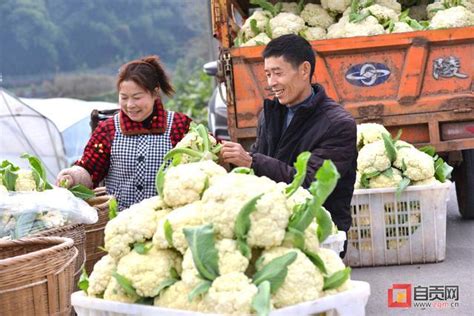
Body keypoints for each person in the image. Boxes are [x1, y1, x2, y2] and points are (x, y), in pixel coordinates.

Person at [220, 34, 357, 254]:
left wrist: (252, 161)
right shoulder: (271, 114)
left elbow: (312, 186)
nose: (271, 82)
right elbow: (257, 167)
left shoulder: (338, 124)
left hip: (317, 234)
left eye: (278, 73)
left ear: (304, 70)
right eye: (267, 74)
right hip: (274, 228)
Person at [56, 55, 192, 210]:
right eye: (124, 97)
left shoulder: (179, 126)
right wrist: (73, 176)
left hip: (166, 220)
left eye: (137, 97)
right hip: (120, 221)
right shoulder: (108, 129)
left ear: (155, 93)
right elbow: (90, 168)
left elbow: (206, 158)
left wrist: (223, 155)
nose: (130, 105)